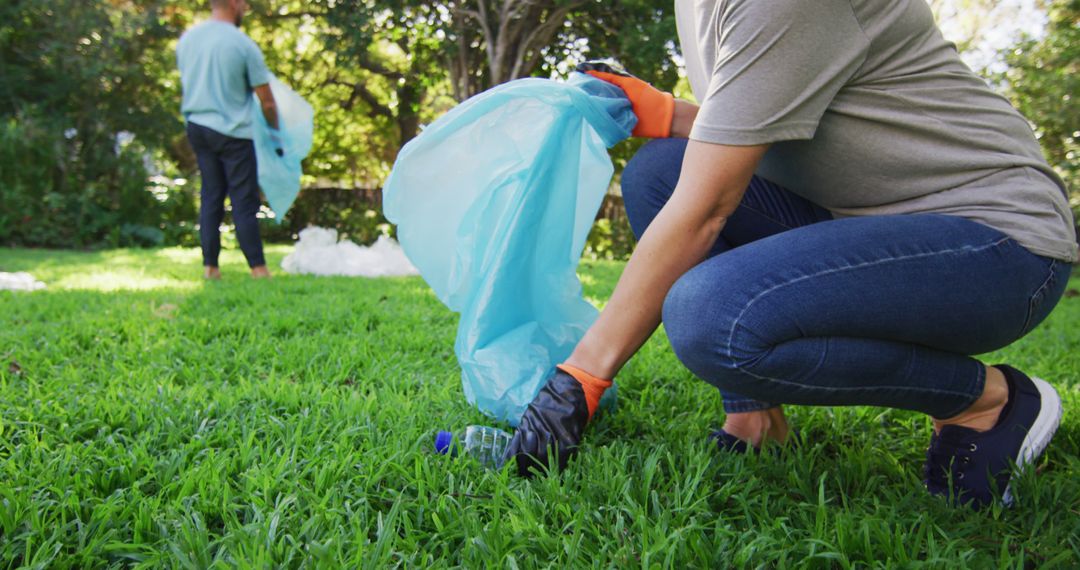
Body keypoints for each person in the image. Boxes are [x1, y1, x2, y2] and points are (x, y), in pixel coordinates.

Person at [505, 0, 1077, 509]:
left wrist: (580, 379)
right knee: (661, 171)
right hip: (863, 219)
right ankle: (754, 417)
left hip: (995, 240)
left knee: (711, 317)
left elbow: (706, 211)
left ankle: (987, 401)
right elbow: (767, 114)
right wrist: (668, 115)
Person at [177, 0, 280, 279]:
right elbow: (267, 102)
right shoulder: (242, 44)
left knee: (211, 195)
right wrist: (275, 131)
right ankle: (258, 269)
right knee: (243, 200)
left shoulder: (188, 40)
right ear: (234, 4)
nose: (246, 7)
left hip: (197, 127)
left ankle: (210, 268)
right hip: (234, 132)